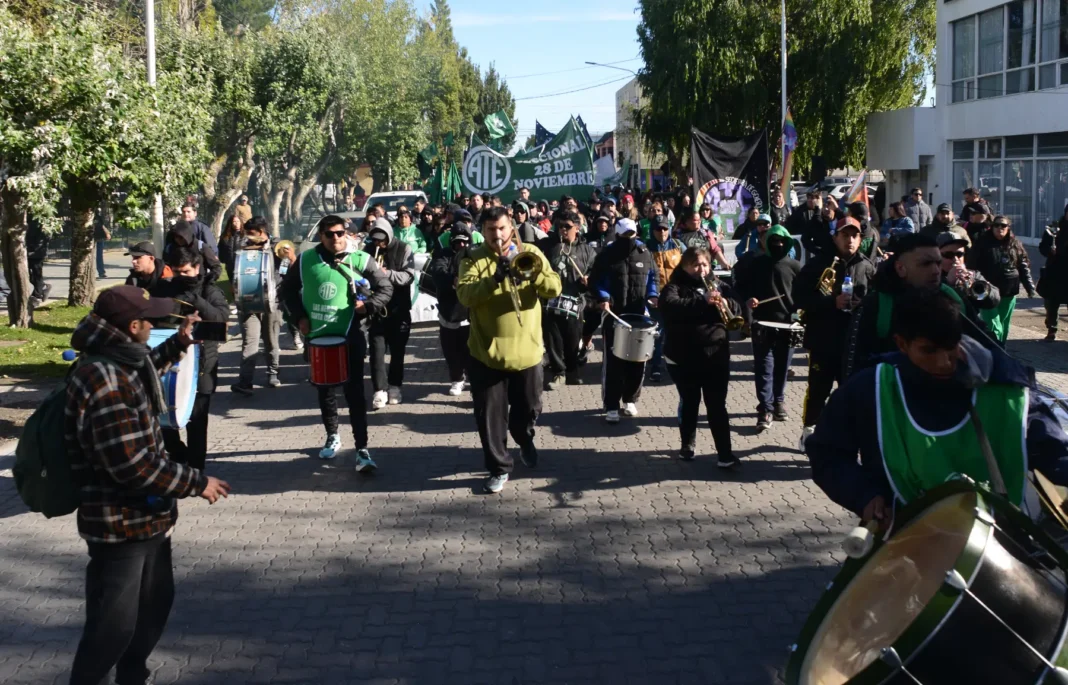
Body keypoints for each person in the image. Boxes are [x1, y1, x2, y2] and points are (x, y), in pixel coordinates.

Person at [65, 286, 230, 685]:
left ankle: (133, 677)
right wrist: (196, 481)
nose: (155, 325)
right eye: (151, 321)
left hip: (147, 520)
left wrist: (179, 342)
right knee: (112, 629)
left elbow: (144, 371)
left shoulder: (119, 361)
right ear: (133, 326)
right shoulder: (103, 379)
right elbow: (133, 465)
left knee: (152, 609)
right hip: (120, 525)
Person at [806, 288, 1068, 524]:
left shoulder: (1010, 390)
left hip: (1003, 546)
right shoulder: (869, 389)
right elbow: (828, 453)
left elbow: (1057, 457)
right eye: (929, 351)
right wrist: (864, 496)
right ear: (901, 344)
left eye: (950, 347)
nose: (944, 362)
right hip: (905, 543)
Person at [456, 206, 562, 494]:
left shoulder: (530, 251)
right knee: (490, 417)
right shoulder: (472, 258)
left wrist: (533, 275)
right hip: (487, 356)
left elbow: (554, 288)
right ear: (483, 232)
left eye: (502, 228)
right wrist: (495, 279)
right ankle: (499, 467)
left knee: (529, 408)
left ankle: (524, 437)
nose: (498, 235)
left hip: (527, 353)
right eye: (491, 230)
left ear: (512, 227)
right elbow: (465, 295)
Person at [281, 215, 392, 470]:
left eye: (340, 233)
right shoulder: (306, 260)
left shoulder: (361, 259)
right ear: (321, 236)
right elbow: (285, 291)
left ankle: (362, 448)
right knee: (325, 391)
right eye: (330, 234)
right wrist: (299, 317)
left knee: (354, 393)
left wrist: (368, 306)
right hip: (318, 338)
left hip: (350, 335)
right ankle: (332, 435)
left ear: (347, 234)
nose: (335, 238)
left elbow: (385, 287)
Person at [846, 233, 998, 377]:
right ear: (900, 268)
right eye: (925, 264)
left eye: (938, 263)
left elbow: (987, 342)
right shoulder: (876, 305)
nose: (936, 271)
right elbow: (853, 368)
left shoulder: (952, 296)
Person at [792, 217, 875, 449]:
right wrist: (831, 303)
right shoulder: (819, 264)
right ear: (835, 237)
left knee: (851, 391)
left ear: (860, 239)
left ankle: (847, 436)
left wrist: (862, 304)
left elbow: (875, 300)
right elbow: (799, 299)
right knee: (818, 389)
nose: (850, 240)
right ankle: (809, 430)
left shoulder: (867, 266)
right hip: (824, 339)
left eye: (854, 235)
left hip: (854, 342)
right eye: (845, 235)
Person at [661, 247, 740, 467]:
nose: (701, 269)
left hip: (716, 355)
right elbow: (669, 306)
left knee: (717, 406)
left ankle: (725, 455)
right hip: (685, 357)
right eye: (696, 265)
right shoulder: (675, 287)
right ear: (685, 266)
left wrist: (726, 304)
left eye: (705, 264)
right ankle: (688, 445)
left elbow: (737, 308)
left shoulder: (720, 286)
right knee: (690, 402)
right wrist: (702, 301)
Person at [155, 248, 229, 470]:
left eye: (186, 271)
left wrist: (197, 301)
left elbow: (221, 318)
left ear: (197, 268)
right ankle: (178, 453)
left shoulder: (209, 290)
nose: (181, 277)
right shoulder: (165, 289)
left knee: (197, 422)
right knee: (164, 420)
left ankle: (197, 469)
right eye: (177, 272)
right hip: (169, 363)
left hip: (202, 365)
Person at [589, 218, 659, 423]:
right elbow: (595, 281)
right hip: (614, 314)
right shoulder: (606, 255)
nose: (629, 238)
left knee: (637, 360)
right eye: (625, 235)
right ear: (618, 235)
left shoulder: (645, 253)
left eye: (632, 234)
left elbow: (653, 277)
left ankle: (630, 399)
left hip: (638, 314)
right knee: (614, 362)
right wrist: (603, 297)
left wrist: (653, 295)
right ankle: (611, 405)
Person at [733, 225, 801, 431]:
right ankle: (765, 408)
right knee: (764, 368)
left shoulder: (795, 267)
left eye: (782, 241)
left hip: (788, 325)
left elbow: (803, 295)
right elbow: (740, 287)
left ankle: (778, 401)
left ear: (788, 242)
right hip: (762, 323)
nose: (778, 245)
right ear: (765, 241)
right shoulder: (755, 264)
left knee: (782, 367)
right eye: (774, 241)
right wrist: (748, 300)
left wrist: (800, 314)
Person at [538, 210, 596, 388]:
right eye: (560, 226)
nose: (563, 230)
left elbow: (596, 271)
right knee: (553, 340)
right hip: (551, 302)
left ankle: (572, 370)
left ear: (577, 228)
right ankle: (558, 372)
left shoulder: (587, 250)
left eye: (567, 227)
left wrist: (589, 281)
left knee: (572, 341)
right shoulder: (549, 247)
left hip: (575, 303)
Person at [365, 217, 416, 409]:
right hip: (377, 310)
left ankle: (395, 386)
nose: (379, 244)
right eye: (376, 240)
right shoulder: (368, 250)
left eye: (382, 239)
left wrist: (387, 274)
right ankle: (379, 390)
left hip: (398, 309)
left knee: (397, 352)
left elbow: (408, 276)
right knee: (376, 352)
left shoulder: (404, 248)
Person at [230, 217, 284, 395]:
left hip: (271, 301)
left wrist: (289, 254)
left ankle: (272, 373)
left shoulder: (276, 245)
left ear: (261, 232)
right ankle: (245, 382)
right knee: (250, 342)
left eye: (251, 234)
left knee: (271, 340)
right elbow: (235, 269)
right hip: (247, 301)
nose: (248, 237)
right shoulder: (241, 247)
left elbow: (289, 261)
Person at [972, 215, 1036, 342]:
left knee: (1004, 322)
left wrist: (1030, 287)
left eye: (1003, 226)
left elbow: (1023, 267)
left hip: (1009, 290)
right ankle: (995, 348)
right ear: (992, 227)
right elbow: (972, 266)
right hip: (987, 292)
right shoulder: (982, 243)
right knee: (993, 324)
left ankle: (1001, 348)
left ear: (1008, 228)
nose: (999, 228)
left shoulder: (1015, 245)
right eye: (996, 225)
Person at [427, 222, 473, 396]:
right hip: (449, 313)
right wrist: (452, 279)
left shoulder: (474, 255)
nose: (461, 245)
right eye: (458, 242)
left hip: (469, 314)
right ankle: (457, 379)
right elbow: (437, 273)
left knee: (471, 352)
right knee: (451, 352)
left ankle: (474, 379)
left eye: (464, 242)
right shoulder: (443, 255)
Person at [647, 215, 686, 382]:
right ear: (652, 230)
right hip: (656, 298)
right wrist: (650, 295)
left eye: (664, 228)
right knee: (658, 334)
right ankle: (655, 366)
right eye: (658, 228)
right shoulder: (645, 248)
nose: (662, 231)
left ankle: (678, 365)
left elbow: (688, 269)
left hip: (676, 297)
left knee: (677, 332)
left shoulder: (678, 245)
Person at [937, 231, 1002, 314]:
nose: (955, 259)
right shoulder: (930, 277)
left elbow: (993, 302)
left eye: (959, 254)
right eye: (948, 255)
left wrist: (974, 284)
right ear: (937, 255)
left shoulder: (973, 274)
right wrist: (948, 284)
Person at [1039, 204, 1068, 342]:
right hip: (1054, 272)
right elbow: (1043, 247)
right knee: (1051, 303)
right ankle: (1052, 328)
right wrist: (1049, 251)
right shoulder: (1055, 228)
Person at [787, 191, 825, 257]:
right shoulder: (799, 211)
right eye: (808, 198)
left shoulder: (823, 210)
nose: (810, 200)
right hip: (802, 246)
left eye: (813, 198)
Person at [26, 216, 50, 305]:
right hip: (29, 250)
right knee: (29, 273)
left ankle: (38, 295)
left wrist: (34, 250)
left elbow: (43, 238)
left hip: (36, 251)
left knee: (36, 273)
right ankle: (40, 289)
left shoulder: (40, 220)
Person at [217, 214, 244, 283]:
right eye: (234, 221)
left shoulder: (245, 235)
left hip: (243, 265)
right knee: (233, 286)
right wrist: (225, 260)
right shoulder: (225, 236)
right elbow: (221, 250)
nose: (236, 224)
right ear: (230, 223)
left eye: (238, 221)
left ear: (241, 222)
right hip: (230, 266)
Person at [93, 214, 111, 279]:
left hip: (99, 237)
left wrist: (107, 232)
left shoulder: (97, 216)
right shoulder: (85, 216)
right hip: (90, 238)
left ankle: (101, 272)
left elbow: (101, 225)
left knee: (99, 256)